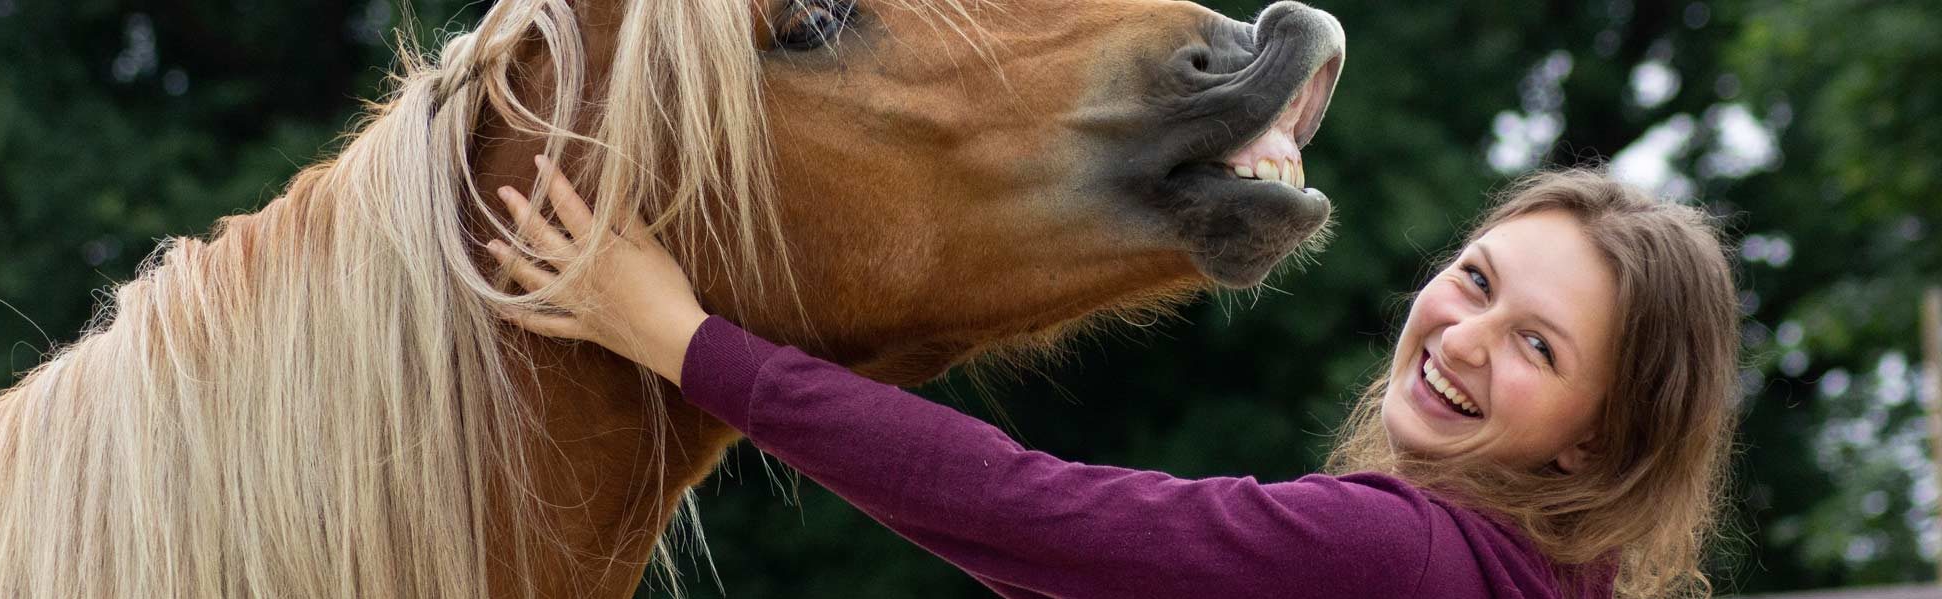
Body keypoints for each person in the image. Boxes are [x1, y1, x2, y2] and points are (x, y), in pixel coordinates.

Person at [483, 156, 1740, 599]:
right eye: (1475, 279)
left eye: (1537, 345)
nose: (1465, 334)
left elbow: (1025, 510)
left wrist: (682, 340)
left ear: (1596, 438)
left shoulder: (1397, 557)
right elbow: (1066, 563)